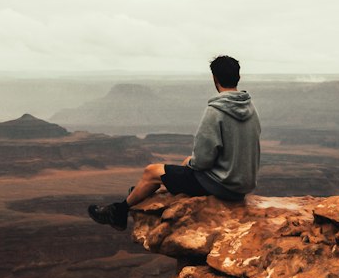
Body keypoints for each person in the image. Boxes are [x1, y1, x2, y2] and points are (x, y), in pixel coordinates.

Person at [88, 54, 261, 232]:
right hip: (242, 184)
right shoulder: (250, 108)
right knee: (186, 163)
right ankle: (142, 193)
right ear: (238, 77)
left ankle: (119, 211)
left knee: (152, 171)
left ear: (214, 78)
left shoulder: (215, 111)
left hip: (222, 185)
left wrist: (193, 164)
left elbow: (203, 160)